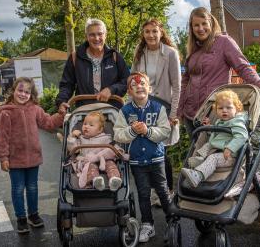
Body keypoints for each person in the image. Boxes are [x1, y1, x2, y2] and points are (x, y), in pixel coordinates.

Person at [177, 7, 260, 137]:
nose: (200, 28)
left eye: (204, 23)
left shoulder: (224, 42)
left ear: (211, 23)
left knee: (214, 152)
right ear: (192, 28)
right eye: (196, 25)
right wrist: (180, 110)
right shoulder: (194, 49)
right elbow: (185, 81)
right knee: (196, 155)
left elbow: (242, 67)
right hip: (190, 114)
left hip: (213, 111)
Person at [0, 77, 69, 234]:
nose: (23, 94)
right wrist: (3, 158)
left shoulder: (35, 109)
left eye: (27, 92)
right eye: (20, 90)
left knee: (33, 187)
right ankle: (21, 218)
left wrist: (61, 114)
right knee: (17, 189)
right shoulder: (6, 113)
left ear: (31, 94)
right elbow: (2, 138)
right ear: (13, 91)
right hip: (15, 160)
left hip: (33, 158)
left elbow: (48, 123)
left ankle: (33, 215)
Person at [114, 72, 171, 243]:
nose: (139, 86)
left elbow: (165, 131)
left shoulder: (158, 108)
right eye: (134, 85)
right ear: (129, 92)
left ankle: (172, 219)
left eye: (142, 84)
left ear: (149, 88)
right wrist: (132, 131)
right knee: (143, 193)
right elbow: (118, 134)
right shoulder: (124, 111)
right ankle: (147, 224)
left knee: (163, 190)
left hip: (156, 158)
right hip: (137, 161)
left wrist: (148, 131)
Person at [131, 18, 181, 204]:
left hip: (163, 107)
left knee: (162, 150)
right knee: (147, 150)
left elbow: (177, 86)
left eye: (154, 31)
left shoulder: (170, 53)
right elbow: (133, 82)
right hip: (143, 107)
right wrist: (131, 110)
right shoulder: (139, 53)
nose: (151, 35)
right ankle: (154, 191)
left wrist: (174, 114)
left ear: (161, 32)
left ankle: (167, 190)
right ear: (143, 35)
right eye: (147, 32)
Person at [56, 18, 130, 108]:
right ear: (86, 36)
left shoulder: (114, 56)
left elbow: (127, 81)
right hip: (85, 110)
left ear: (105, 35)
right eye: (92, 35)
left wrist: (111, 90)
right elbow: (67, 84)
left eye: (100, 34)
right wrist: (61, 101)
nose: (96, 38)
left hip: (111, 108)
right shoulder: (75, 57)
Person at [180, 90, 248, 188]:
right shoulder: (220, 121)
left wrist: (230, 148)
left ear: (237, 109)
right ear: (216, 110)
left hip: (229, 156)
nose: (224, 110)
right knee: (207, 145)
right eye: (220, 108)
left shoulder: (237, 122)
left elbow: (242, 136)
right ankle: (200, 160)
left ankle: (198, 176)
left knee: (213, 158)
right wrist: (209, 127)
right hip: (216, 149)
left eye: (228, 107)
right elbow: (215, 136)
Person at [67, 111, 123, 191]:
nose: (86, 127)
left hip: (104, 160)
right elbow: (73, 150)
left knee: (111, 164)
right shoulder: (81, 139)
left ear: (100, 130)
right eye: (85, 124)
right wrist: (72, 137)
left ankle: (114, 179)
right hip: (88, 161)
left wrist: (118, 151)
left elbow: (113, 149)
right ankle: (96, 181)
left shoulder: (106, 138)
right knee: (91, 168)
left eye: (91, 125)